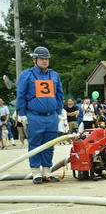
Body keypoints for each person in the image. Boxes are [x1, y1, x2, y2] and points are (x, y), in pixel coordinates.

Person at [16, 46, 63, 184]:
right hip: (34, 115)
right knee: (35, 144)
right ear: (35, 59)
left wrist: (59, 112)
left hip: (52, 116)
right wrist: (22, 114)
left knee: (50, 144)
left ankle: (47, 170)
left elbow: (59, 94)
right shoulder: (26, 74)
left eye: (47, 59)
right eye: (42, 58)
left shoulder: (54, 75)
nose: (45, 61)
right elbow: (21, 95)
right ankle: (36, 171)